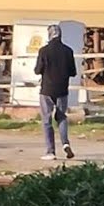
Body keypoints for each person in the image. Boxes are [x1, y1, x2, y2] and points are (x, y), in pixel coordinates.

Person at [34, 24, 76, 161]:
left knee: (47, 120)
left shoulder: (44, 51)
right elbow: (73, 72)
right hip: (62, 89)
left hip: (46, 89)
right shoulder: (68, 51)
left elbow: (37, 70)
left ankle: (50, 151)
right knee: (61, 117)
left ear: (49, 35)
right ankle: (65, 143)